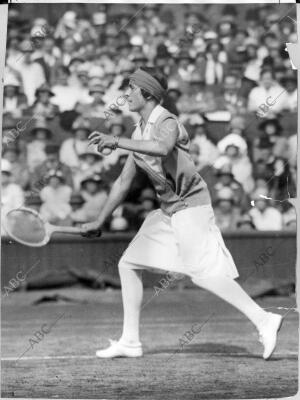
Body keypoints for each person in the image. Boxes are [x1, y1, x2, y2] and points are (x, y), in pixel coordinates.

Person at [81, 67, 283, 360]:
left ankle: (264, 319)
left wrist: (117, 141)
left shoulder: (168, 121)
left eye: (131, 89)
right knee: (128, 263)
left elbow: (162, 148)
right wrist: (100, 220)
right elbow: (124, 181)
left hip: (191, 207)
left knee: (203, 275)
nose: (126, 95)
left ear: (147, 93)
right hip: (168, 211)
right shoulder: (138, 130)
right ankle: (130, 341)